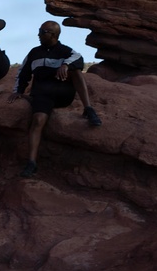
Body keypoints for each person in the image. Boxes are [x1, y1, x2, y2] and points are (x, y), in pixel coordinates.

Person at [8, 21, 102, 177]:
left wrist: (66, 65)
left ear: (52, 34)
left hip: (62, 92)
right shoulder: (34, 52)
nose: (38, 34)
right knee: (38, 120)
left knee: (76, 71)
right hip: (42, 94)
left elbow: (78, 58)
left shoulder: (65, 51)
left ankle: (88, 109)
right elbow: (23, 72)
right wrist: (18, 90)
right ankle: (32, 163)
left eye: (42, 31)